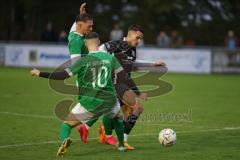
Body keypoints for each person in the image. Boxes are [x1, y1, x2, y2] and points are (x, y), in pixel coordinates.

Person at [30, 32, 142, 156]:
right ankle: (121, 146)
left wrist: (40, 73)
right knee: (118, 119)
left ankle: (64, 140)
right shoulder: (111, 58)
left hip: (90, 102)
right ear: (99, 42)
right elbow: (122, 77)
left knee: (66, 125)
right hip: (110, 100)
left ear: (85, 43)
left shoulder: (82, 61)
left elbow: (62, 76)